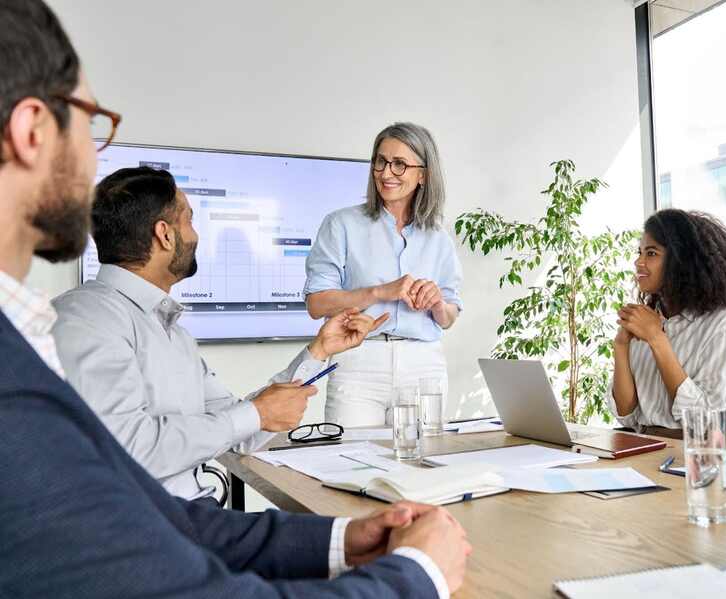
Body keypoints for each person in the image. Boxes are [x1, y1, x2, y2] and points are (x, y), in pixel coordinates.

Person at [0, 1, 469, 596]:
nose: (95, 154)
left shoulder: (162, 327)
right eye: (92, 123)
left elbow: (232, 438)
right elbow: (149, 459)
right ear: (32, 129)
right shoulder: (80, 323)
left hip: (207, 519)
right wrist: (416, 576)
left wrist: (317, 356)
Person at [51, 166, 388, 499]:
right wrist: (255, 414)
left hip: (192, 516)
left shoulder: (171, 333)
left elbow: (242, 430)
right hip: (146, 531)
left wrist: (318, 352)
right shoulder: (86, 319)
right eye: (190, 221)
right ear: (165, 234)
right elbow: (129, 449)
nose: (196, 236)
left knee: (346, 535)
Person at [304, 122, 463, 427]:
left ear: (423, 175)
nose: (386, 173)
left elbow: (450, 315)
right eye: (381, 161)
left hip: (423, 366)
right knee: (352, 467)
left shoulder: (439, 236)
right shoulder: (341, 225)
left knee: (421, 467)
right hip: (360, 362)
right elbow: (316, 304)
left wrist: (438, 305)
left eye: (400, 164)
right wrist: (378, 292)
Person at [606, 209, 726, 433]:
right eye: (639, 253)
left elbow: (704, 422)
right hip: (648, 446)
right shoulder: (647, 318)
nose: (638, 262)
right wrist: (620, 346)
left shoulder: (722, 324)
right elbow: (627, 415)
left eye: (651, 253)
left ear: (680, 260)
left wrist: (657, 339)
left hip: (705, 451)